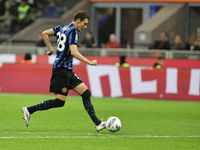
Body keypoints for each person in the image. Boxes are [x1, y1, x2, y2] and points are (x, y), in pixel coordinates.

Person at [22, 10, 106, 132]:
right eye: (85, 23)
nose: (85, 26)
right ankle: (29, 110)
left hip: (66, 70)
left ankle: (97, 123)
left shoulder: (63, 28)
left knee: (86, 93)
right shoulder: (73, 31)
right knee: (60, 102)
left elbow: (45, 33)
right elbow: (74, 52)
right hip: (62, 70)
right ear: (78, 21)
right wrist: (89, 62)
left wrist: (50, 49)